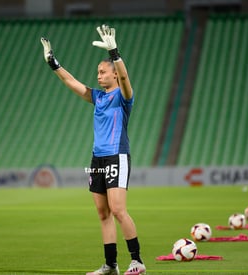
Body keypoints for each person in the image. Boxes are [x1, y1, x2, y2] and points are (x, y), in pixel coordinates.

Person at [41, 25, 146, 275]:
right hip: (97, 157)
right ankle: (110, 265)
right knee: (103, 213)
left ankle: (137, 262)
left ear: (113, 75)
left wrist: (115, 55)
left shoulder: (124, 96)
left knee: (119, 210)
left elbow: (126, 79)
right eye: (97, 72)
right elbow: (71, 82)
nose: (98, 76)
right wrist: (54, 64)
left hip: (117, 155)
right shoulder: (97, 97)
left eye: (102, 72)